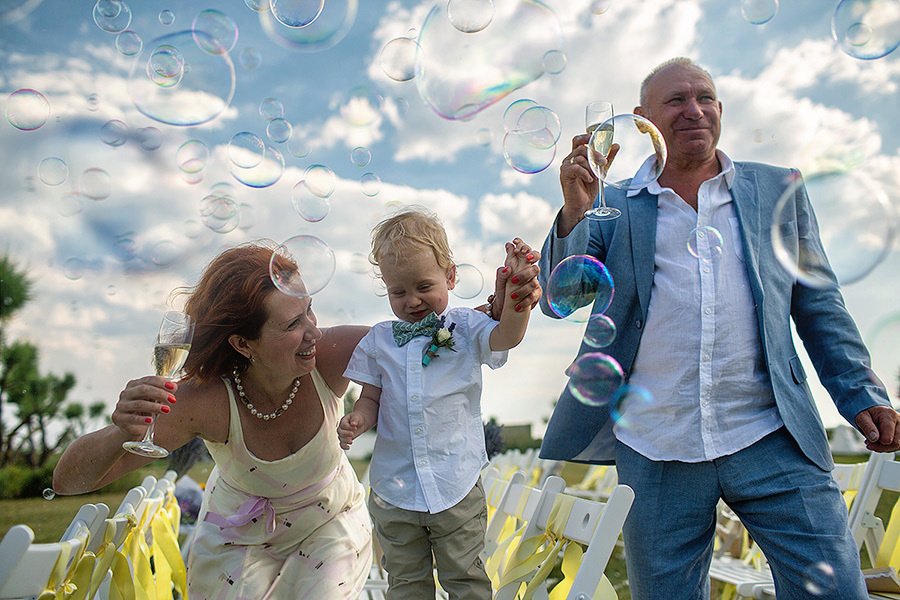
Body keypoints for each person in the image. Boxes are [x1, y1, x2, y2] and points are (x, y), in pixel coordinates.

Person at [538, 57, 900, 599]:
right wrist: (574, 211)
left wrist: (861, 392)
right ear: (642, 120)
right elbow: (560, 299)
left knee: (836, 591)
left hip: (771, 433)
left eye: (704, 97)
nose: (693, 110)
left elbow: (820, 305)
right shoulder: (607, 203)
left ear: (720, 109)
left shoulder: (778, 189)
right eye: (675, 101)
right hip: (655, 441)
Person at [52, 239, 541, 600]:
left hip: (330, 524)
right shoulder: (205, 400)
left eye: (310, 311)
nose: (312, 332)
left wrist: (509, 298)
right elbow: (70, 482)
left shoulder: (334, 353)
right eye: (291, 324)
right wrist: (121, 430)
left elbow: (442, 328)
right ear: (243, 344)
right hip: (236, 534)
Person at [337, 207, 537, 600]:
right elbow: (371, 397)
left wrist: (516, 295)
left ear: (450, 275)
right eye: (398, 291)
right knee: (406, 582)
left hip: (455, 483)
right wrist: (358, 418)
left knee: (465, 579)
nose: (412, 300)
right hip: (395, 489)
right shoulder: (380, 340)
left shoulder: (465, 326)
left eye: (423, 286)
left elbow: (507, 337)